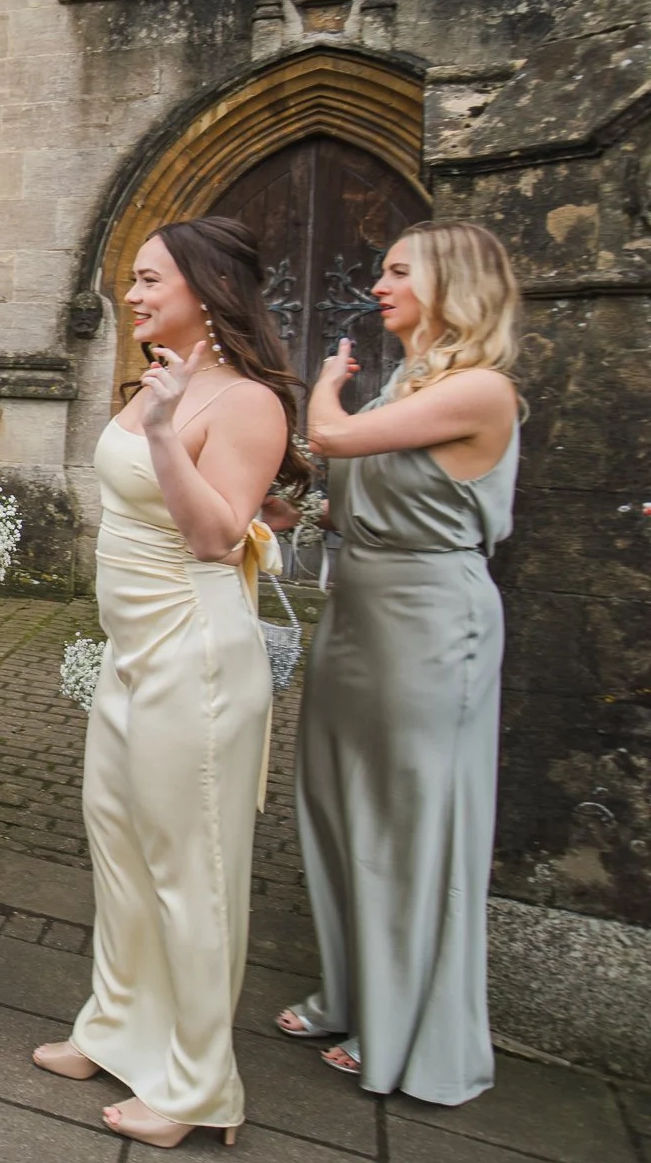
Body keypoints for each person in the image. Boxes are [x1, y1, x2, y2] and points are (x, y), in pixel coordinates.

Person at [32, 215, 301, 1149]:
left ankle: (198, 1084)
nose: (134, 294)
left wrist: (159, 431)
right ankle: (114, 1030)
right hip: (129, 651)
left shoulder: (248, 403)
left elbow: (216, 536)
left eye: (151, 280)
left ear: (207, 287)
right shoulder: (160, 378)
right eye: (134, 279)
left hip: (196, 654)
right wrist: (154, 411)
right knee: (120, 849)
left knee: (193, 872)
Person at [275, 223, 521, 1105]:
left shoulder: (482, 390)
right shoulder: (399, 390)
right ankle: (354, 993)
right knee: (338, 804)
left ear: (453, 285)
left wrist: (324, 386)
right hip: (358, 612)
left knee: (412, 819)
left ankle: (410, 1028)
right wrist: (294, 513)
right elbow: (354, 499)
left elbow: (333, 440)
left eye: (399, 271)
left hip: (430, 620)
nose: (380, 284)